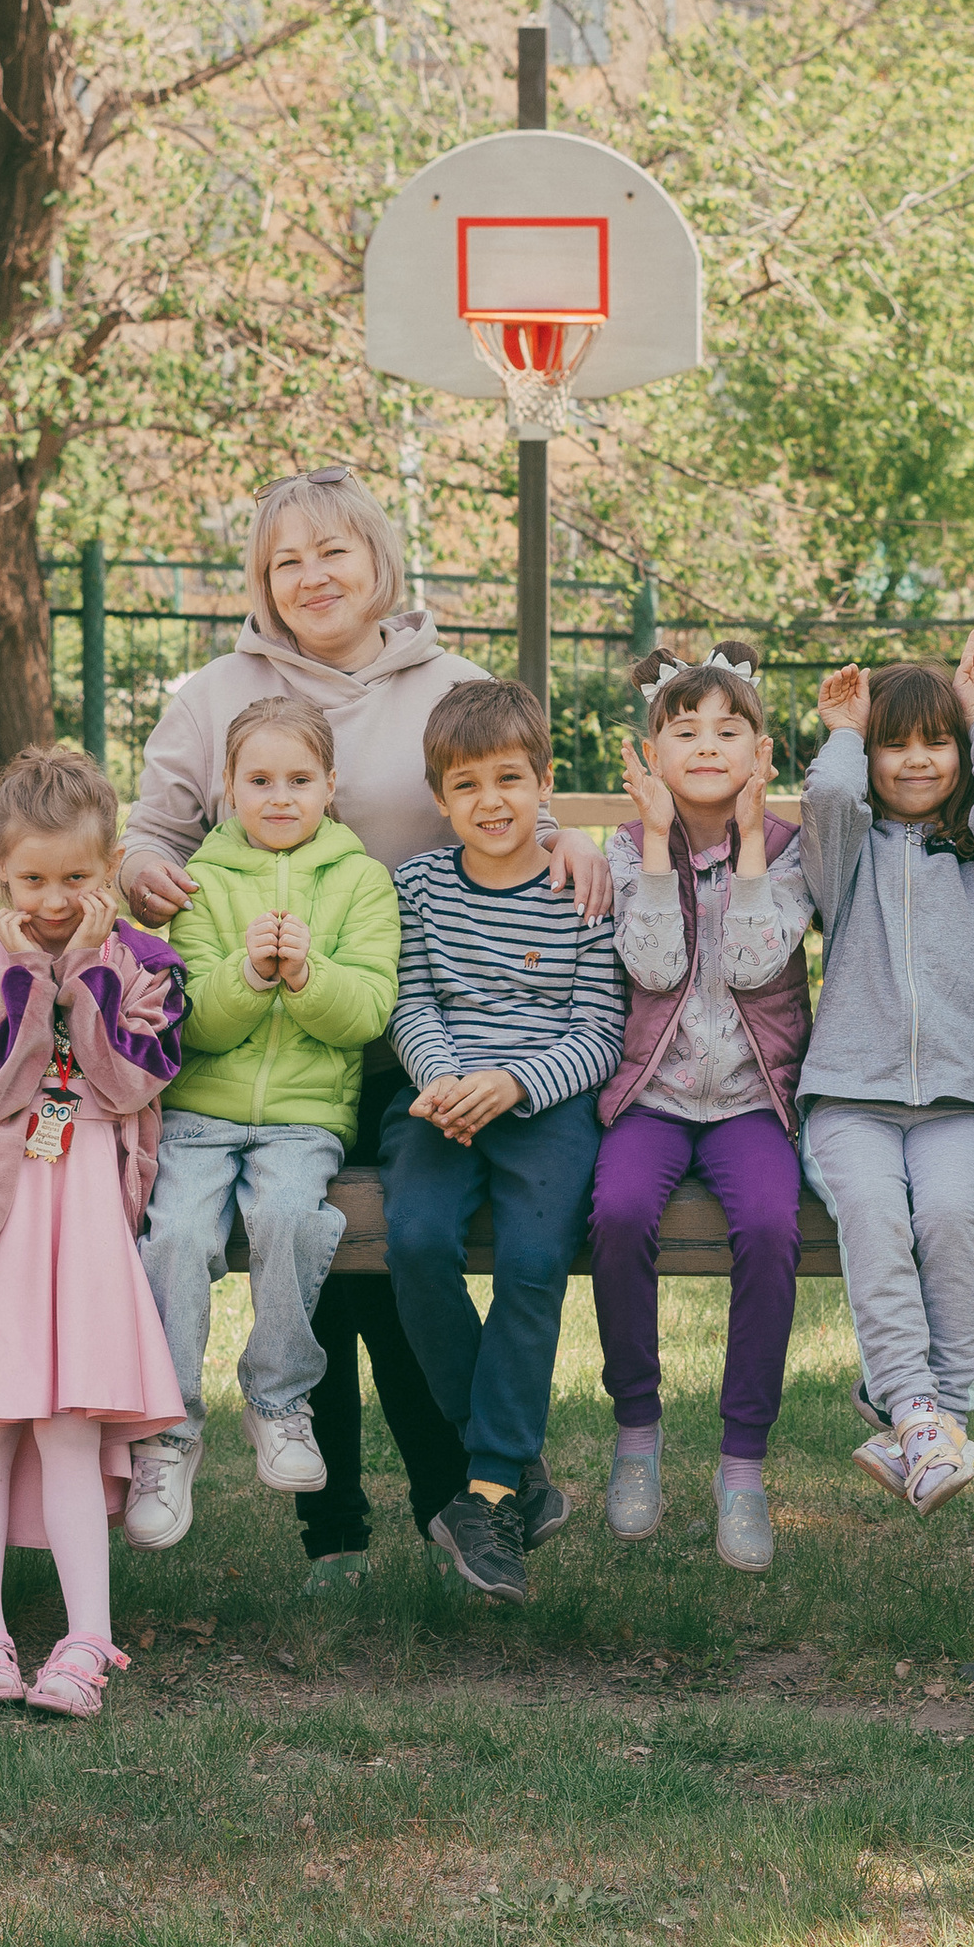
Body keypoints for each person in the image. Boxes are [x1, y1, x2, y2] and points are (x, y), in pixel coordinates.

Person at [116, 469, 608, 1591]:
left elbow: (513, 790)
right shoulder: (213, 695)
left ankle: (462, 1498)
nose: (312, 576)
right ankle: (336, 1525)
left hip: (415, 1029)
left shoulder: (450, 680)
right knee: (332, 1265)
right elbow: (150, 833)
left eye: (332, 551)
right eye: (286, 559)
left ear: (379, 561)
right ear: (263, 580)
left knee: (385, 1271)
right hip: (270, 1039)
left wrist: (579, 840)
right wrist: (154, 878)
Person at [0, 746, 187, 1718]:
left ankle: (86, 1641)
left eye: (76, 877)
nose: (55, 899)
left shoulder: (146, 965)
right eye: (33, 880)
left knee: (70, 1428)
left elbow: (131, 1082)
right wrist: (27, 983)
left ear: (108, 868)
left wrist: (92, 981)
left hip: (87, 1227)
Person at [126, 695, 402, 1546]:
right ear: (226, 788)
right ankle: (166, 1432)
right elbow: (191, 1023)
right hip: (199, 1115)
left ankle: (279, 1401)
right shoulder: (198, 886)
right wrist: (249, 973)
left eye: (298, 779)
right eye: (258, 780)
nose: (278, 796)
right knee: (173, 1236)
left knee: (292, 1218)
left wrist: (304, 973)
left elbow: (366, 1012)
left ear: (330, 787)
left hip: (303, 1123)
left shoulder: (361, 882)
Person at [386, 679, 625, 1606]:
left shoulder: (582, 888)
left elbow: (601, 1030)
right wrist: (444, 1081)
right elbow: (411, 1001)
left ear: (544, 784)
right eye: (468, 785)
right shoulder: (420, 888)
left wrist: (517, 1082)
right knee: (412, 1240)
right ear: (441, 799)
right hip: (438, 1101)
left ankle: (482, 1488)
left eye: (510, 779)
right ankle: (507, 1461)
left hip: (548, 1105)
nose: (492, 802)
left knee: (533, 1261)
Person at [798, 629, 974, 1519]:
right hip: (852, 1095)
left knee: (948, 1218)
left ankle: (925, 1418)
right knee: (872, 1215)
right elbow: (826, 793)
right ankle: (919, 1414)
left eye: (935, 742)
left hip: (964, 1098)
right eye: (893, 743)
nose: (914, 760)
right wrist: (844, 732)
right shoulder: (840, 859)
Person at [593, 642, 813, 1575]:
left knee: (770, 1224)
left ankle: (742, 1463)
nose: (709, 745)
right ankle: (637, 1430)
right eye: (685, 731)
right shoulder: (624, 847)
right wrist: (652, 846)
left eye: (731, 729)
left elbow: (761, 962)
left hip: (753, 1099)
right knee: (617, 1212)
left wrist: (756, 842)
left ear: (763, 751)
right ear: (653, 750)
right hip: (657, 1093)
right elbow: (652, 968)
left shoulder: (795, 849)